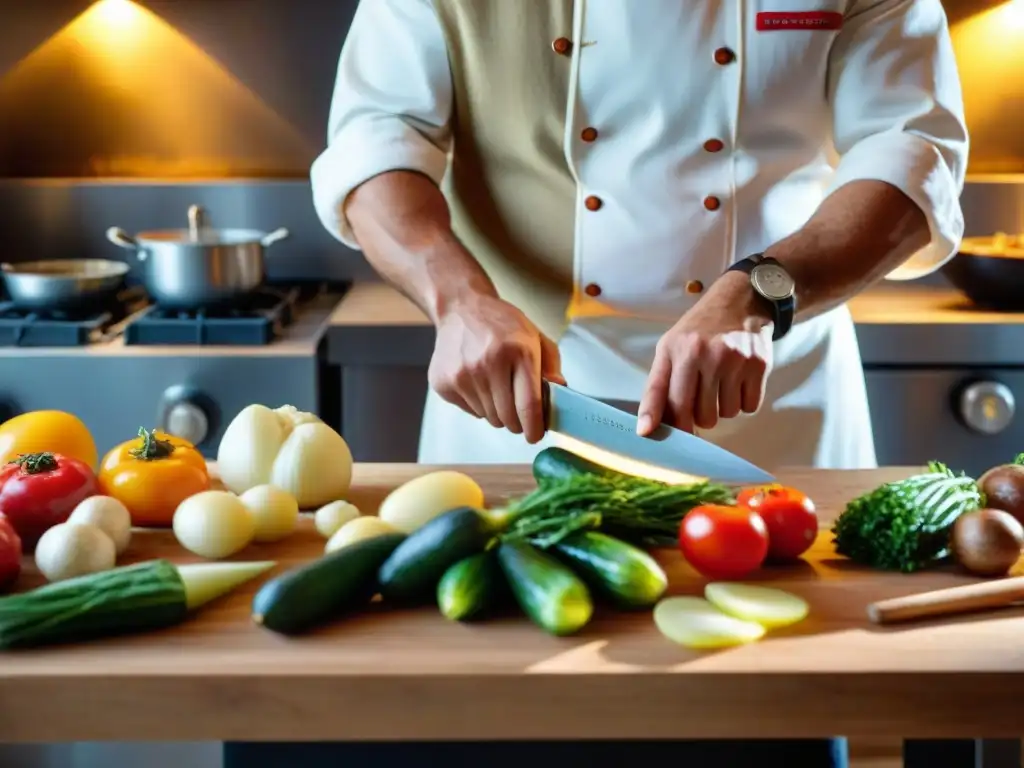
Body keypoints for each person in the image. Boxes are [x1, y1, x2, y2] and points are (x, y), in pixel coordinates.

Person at [306, 1, 968, 766]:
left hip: (767, 393)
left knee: (772, 716)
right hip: (520, 399)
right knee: (502, 718)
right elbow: (373, 141)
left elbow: (913, 150)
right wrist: (458, 300)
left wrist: (761, 293)